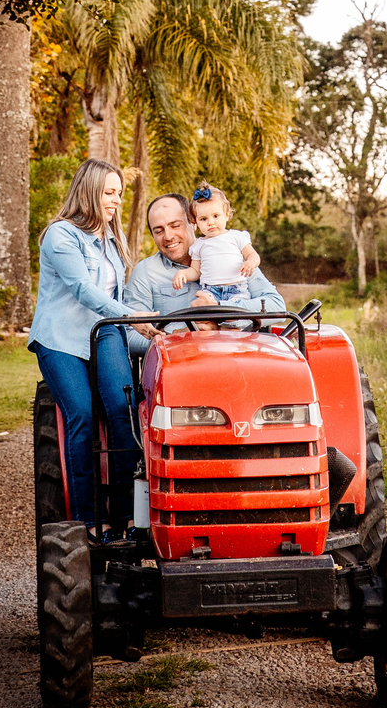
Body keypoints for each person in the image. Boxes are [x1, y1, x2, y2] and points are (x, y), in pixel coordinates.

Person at [28, 158, 142, 531]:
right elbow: (83, 290)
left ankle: (126, 516)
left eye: (119, 194)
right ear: (89, 190)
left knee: (123, 412)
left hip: (105, 330)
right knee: (81, 417)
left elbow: (113, 292)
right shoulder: (61, 234)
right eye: (109, 192)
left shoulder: (112, 238)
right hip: (61, 337)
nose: (116, 201)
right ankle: (90, 521)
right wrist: (132, 316)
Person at [123, 191, 286, 338]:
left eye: (175, 225)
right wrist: (178, 338)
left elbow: (276, 307)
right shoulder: (146, 272)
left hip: (236, 355)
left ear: (192, 223)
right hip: (180, 363)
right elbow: (130, 336)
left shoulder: (232, 254)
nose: (168, 236)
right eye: (159, 230)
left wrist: (221, 310)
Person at [172, 182, 261, 301]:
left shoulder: (236, 237)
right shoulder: (199, 245)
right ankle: (210, 314)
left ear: (227, 214)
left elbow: (253, 255)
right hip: (210, 291)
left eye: (216, 216)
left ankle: (228, 316)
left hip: (236, 289)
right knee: (199, 305)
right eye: (203, 219)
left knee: (235, 312)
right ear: (195, 222)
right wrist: (183, 274)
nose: (211, 222)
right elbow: (195, 271)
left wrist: (251, 262)